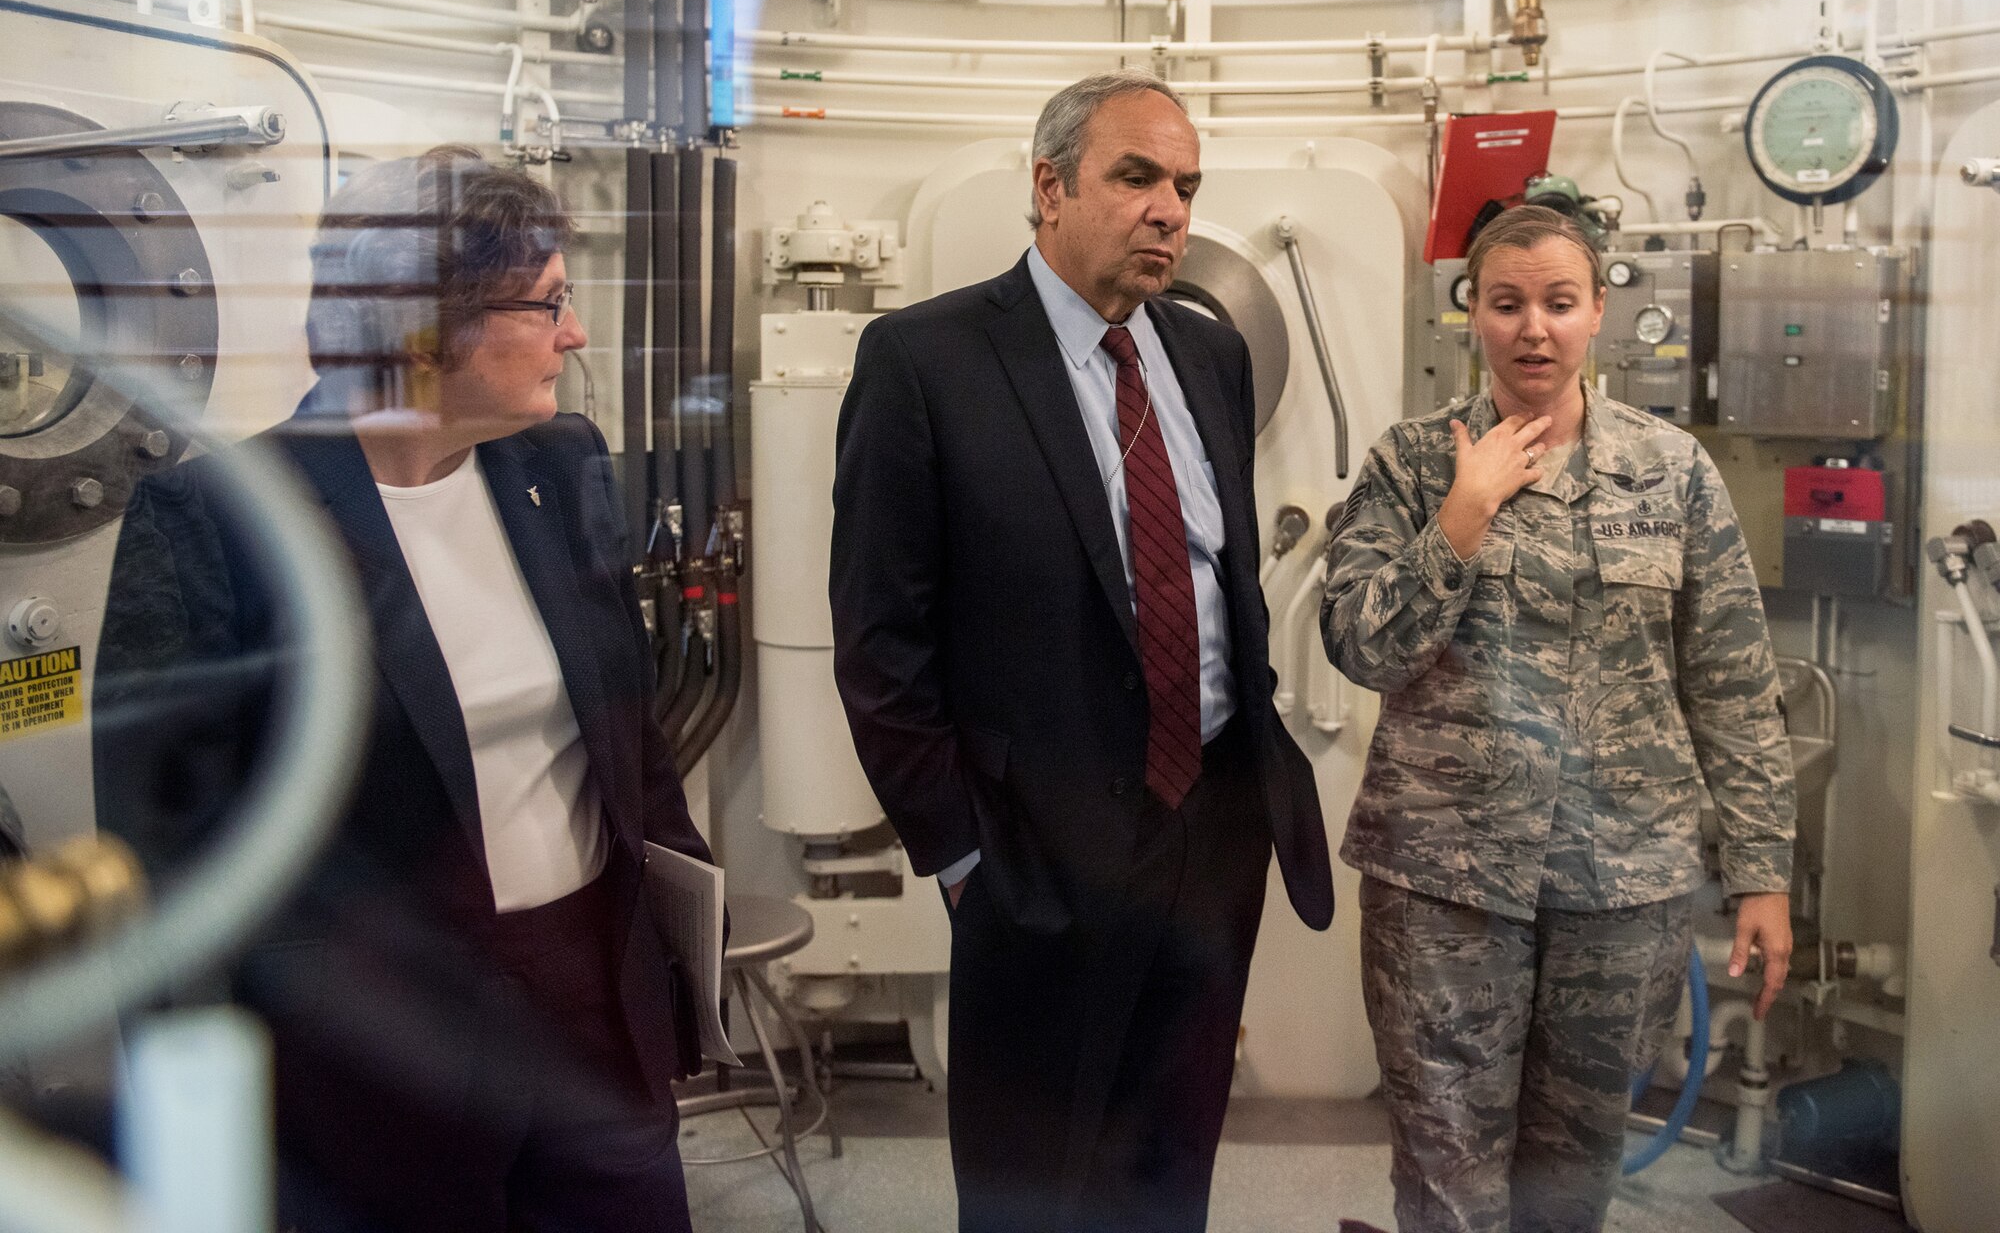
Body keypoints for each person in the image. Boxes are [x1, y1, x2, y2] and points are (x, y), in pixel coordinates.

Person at [94, 149, 712, 1233]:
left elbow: (624, 733)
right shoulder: (222, 521)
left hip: (593, 1016)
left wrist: (674, 925)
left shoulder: (559, 464)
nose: (573, 334)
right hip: (376, 1057)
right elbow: (161, 865)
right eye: (549, 303)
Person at [830, 70, 1335, 1233]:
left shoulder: (1209, 358)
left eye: (1186, 185)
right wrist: (961, 857)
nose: (1170, 208)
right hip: (1032, 853)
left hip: (1210, 831)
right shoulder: (925, 362)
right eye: (1137, 176)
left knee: (1168, 1167)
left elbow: (1223, 581)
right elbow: (878, 641)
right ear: (1048, 187)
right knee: (1032, 1183)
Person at [1321, 204, 1798, 1233]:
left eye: (1556, 302)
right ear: (1472, 319)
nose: (1531, 327)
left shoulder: (1670, 472)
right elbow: (1360, 647)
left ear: (1594, 317)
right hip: (1444, 883)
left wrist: (1760, 871)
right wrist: (1461, 515)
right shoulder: (1411, 464)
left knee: (1572, 1175)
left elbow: (1730, 679)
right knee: (1447, 1175)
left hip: (1620, 884)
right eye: (1505, 303)